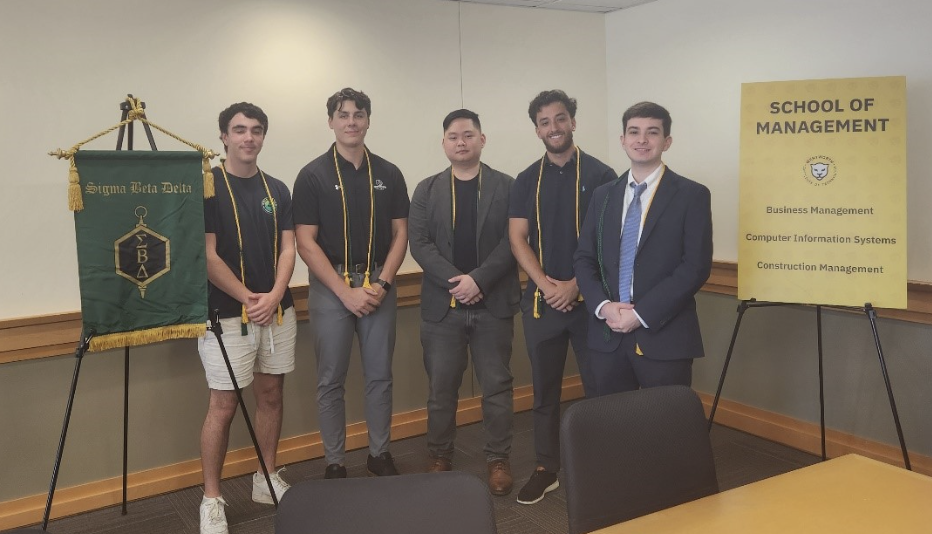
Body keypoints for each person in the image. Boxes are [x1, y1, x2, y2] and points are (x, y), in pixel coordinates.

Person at [293, 88, 409, 479]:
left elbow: (400, 234)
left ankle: (379, 454)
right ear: (331, 122)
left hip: (379, 285)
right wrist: (345, 291)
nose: (351, 122)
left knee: (380, 375)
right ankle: (335, 462)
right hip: (331, 288)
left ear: (368, 120)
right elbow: (305, 242)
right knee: (330, 380)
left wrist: (382, 284)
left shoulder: (389, 173)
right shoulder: (312, 175)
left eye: (358, 115)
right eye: (343, 115)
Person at [508, 90, 616, 505]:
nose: (553, 128)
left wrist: (576, 284)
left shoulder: (603, 174)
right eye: (544, 122)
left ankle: (601, 463)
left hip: (591, 304)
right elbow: (517, 238)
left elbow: (611, 240)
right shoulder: (525, 180)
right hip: (542, 303)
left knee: (600, 387)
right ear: (537, 129)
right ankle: (545, 467)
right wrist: (547, 284)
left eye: (560, 119)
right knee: (544, 391)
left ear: (573, 121)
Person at [408, 109, 520, 495]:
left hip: (493, 305)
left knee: (497, 388)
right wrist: (459, 282)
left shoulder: (508, 186)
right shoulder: (426, 190)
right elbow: (419, 244)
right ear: (444, 143)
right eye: (453, 136)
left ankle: (498, 459)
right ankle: (439, 456)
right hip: (443, 308)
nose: (461, 141)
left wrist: (479, 280)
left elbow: (515, 241)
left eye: (469, 135)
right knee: (441, 390)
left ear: (482, 140)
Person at [198, 102, 296, 534]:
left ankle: (265, 477)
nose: (248, 138)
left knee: (271, 394)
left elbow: (289, 248)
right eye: (239, 130)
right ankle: (212, 498)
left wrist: (273, 296)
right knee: (223, 406)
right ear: (223, 136)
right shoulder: (207, 187)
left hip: (276, 312)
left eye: (256, 130)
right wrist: (248, 297)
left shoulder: (277, 189)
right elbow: (206, 255)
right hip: (226, 314)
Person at [573, 101, 712, 396]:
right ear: (623, 140)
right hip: (606, 334)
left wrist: (641, 314)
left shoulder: (692, 195)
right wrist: (603, 307)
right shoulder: (603, 195)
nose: (642, 140)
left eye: (652, 132)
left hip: (664, 334)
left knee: (664, 429)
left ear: (667, 141)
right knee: (611, 427)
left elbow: (695, 267)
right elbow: (584, 258)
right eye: (634, 132)